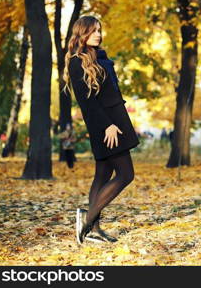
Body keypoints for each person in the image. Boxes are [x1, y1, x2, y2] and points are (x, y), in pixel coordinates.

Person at [63, 15, 140, 244]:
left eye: (99, 30)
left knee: (103, 174)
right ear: (82, 34)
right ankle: (87, 220)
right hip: (107, 125)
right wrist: (108, 125)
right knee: (126, 174)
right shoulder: (77, 61)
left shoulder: (100, 58)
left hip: (115, 119)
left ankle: (94, 230)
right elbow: (87, 101)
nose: (98, 34)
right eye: (93, 30)